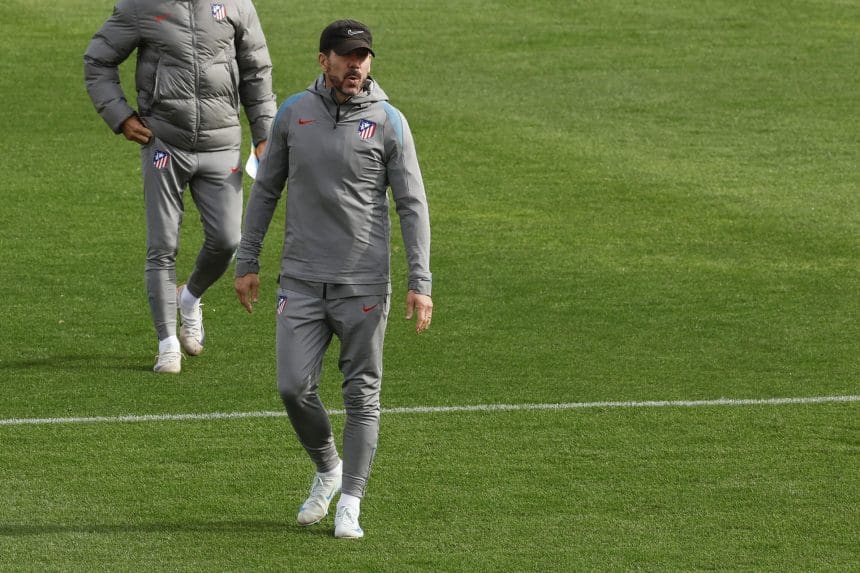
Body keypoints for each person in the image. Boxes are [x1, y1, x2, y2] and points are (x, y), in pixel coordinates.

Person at [234, 19, 432, 539]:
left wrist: (420, 279)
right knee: (292, 387)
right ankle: (328, 469)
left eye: (363, 57)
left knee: (362, 394)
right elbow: (265, 190)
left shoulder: (390, 122)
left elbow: (412, 204)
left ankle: (351, 501)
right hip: (300, 280)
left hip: (364, 285)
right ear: (323, 60)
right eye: (346, 57)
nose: (356, 66)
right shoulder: (293, 115)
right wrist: (246, 260)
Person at [83, 0, 276, 373]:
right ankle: (167, 342)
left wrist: (264, 131)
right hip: (164, 142)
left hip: (222, 144)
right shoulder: (142, 5)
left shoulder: (237, 4)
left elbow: (256, 69)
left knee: (227, 240)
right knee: (163, 245)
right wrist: (120, 116)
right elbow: (97, 60)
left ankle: (189, 298)